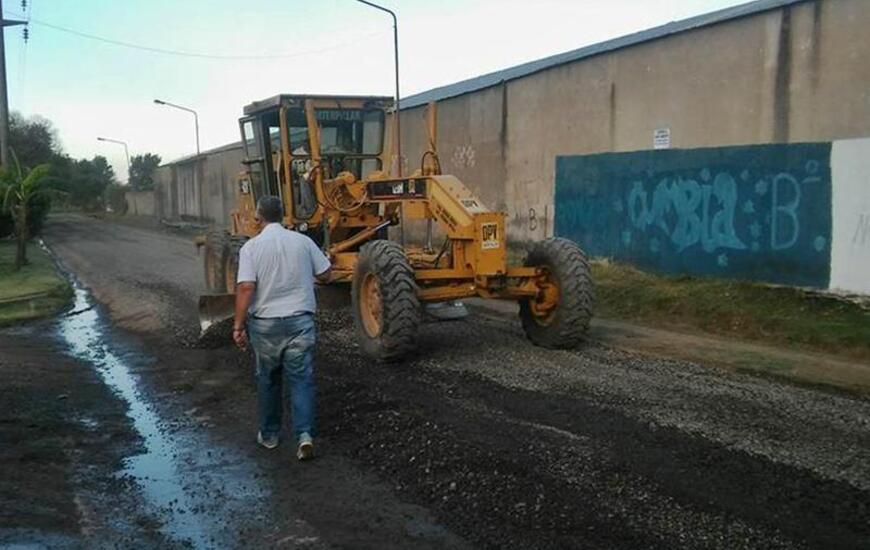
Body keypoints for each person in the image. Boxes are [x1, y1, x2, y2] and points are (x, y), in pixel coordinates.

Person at [232, 195, 331, 461]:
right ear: (283, 215)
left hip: (265, 326)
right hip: (300, 321)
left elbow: (246, 287)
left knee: (268, 379)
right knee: (301, 379)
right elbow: (325, 273)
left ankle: (270, 435)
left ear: (258, 217)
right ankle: (305, 436)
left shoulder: (251, 248)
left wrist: (238, 325)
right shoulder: (303, 241)